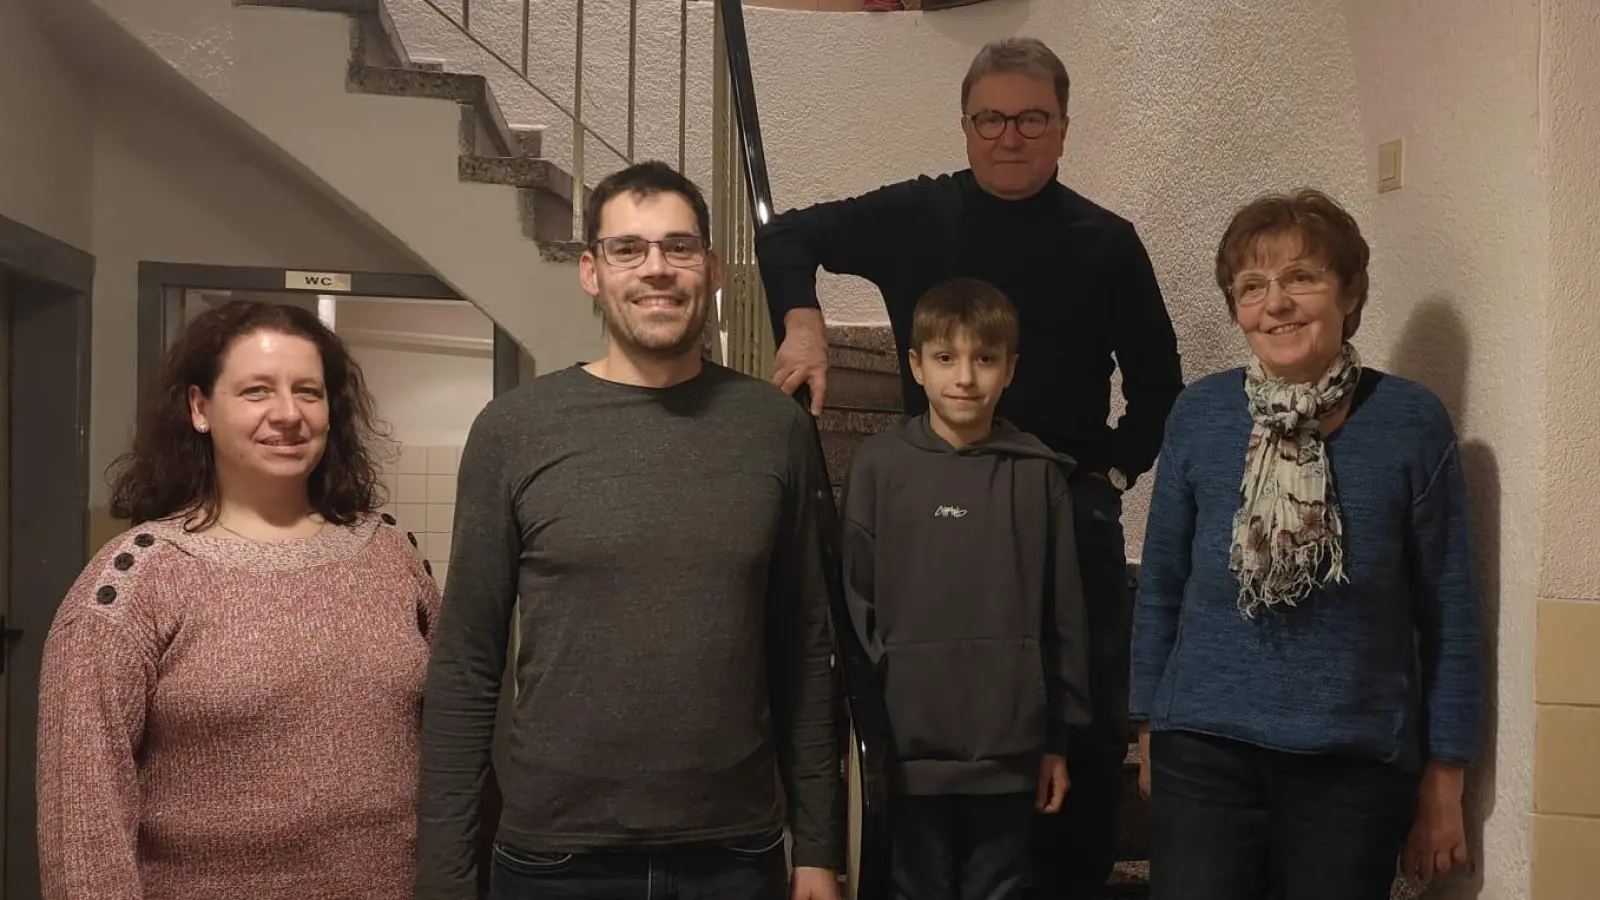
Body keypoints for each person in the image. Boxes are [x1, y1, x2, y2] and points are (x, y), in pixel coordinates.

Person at [755, 37, 1183, 896]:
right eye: (991, 117)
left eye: (1032, 117)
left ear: (1063, 128)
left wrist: (1106, 474)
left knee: (1087, 730)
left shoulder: (1106, 240)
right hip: (936, 511)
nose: (1010, 135)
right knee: (910, 727)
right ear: (965, 125)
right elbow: (788, 233)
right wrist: (802, 324)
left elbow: (1159, 385)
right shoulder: (919, 213)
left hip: (1061, 503)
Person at [415, 160, 842, 900]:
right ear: (590, 271)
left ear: (709, 269)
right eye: (628, 249)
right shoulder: (515, 430)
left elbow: (804, 647)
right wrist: (445, 878)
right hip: (556, 857)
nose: (657, 270)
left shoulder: (773, 429)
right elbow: (466, 663)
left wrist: (819, 849)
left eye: (679, 248)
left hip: (734, 854)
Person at [1129, 189, 1483, 900]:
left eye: (1301, 278)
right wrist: (1147, 728)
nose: (1276, 303)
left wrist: (1446, 780)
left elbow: (1451, 614)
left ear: (1349, 293)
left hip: (1352, 763)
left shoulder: (1411, 424)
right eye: (1252, 286)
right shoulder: (1198, 415)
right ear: (1236, 308)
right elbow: (1161, 582)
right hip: (1203, 751)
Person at [36, 300, 440, 900]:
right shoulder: (132, 585)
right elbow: (84, 831)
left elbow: (456, 743)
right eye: (256, 391)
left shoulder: (392, 556)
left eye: (309, 391)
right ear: (201, 409)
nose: (288, 414)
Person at [840, 278, 1090, 900]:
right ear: (915, 366)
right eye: (946, 358)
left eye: (984, 359)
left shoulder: (1038, 474)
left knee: (1000, 888)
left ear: (1010, 370)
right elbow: (852, 606)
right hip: (905, 749)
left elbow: (1066, 618)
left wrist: (1056, 742)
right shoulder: (877, 468)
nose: (966, 378)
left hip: (1007, 751)